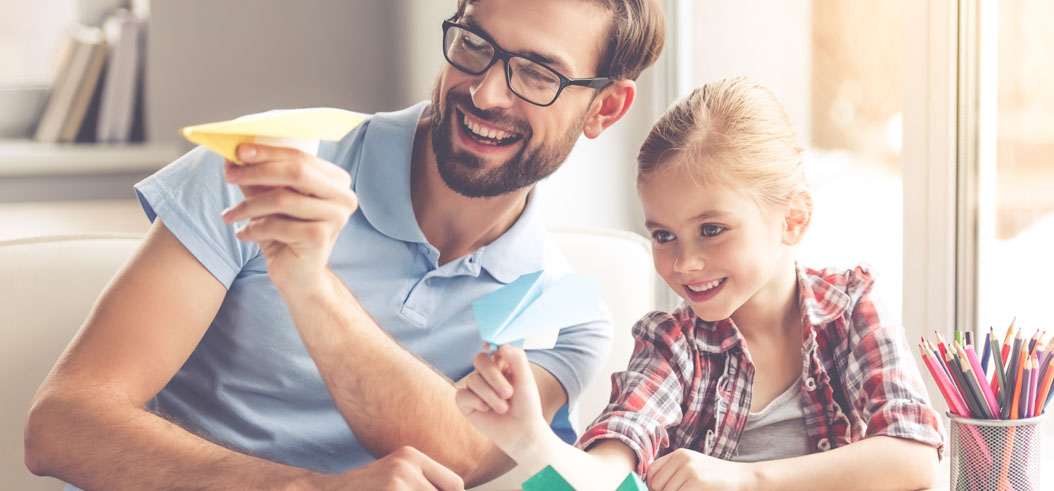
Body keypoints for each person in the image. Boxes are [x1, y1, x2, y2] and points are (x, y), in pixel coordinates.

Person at [23, 0, 665, 489]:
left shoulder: (563, 313)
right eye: (474, 42)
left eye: (536, 73)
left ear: (605, 109)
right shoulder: (264, 165)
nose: (485, 91)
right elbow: (62, 423)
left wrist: (311, 287)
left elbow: (461, 456)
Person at [456, 77, 945, 490]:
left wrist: (745, 479)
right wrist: (529, 438)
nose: (685, 263)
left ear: (793, 219)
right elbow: (606, 473)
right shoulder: (672, 346)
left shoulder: (850, 306)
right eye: (664, 235)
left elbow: (914, 456)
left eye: (712, 229)